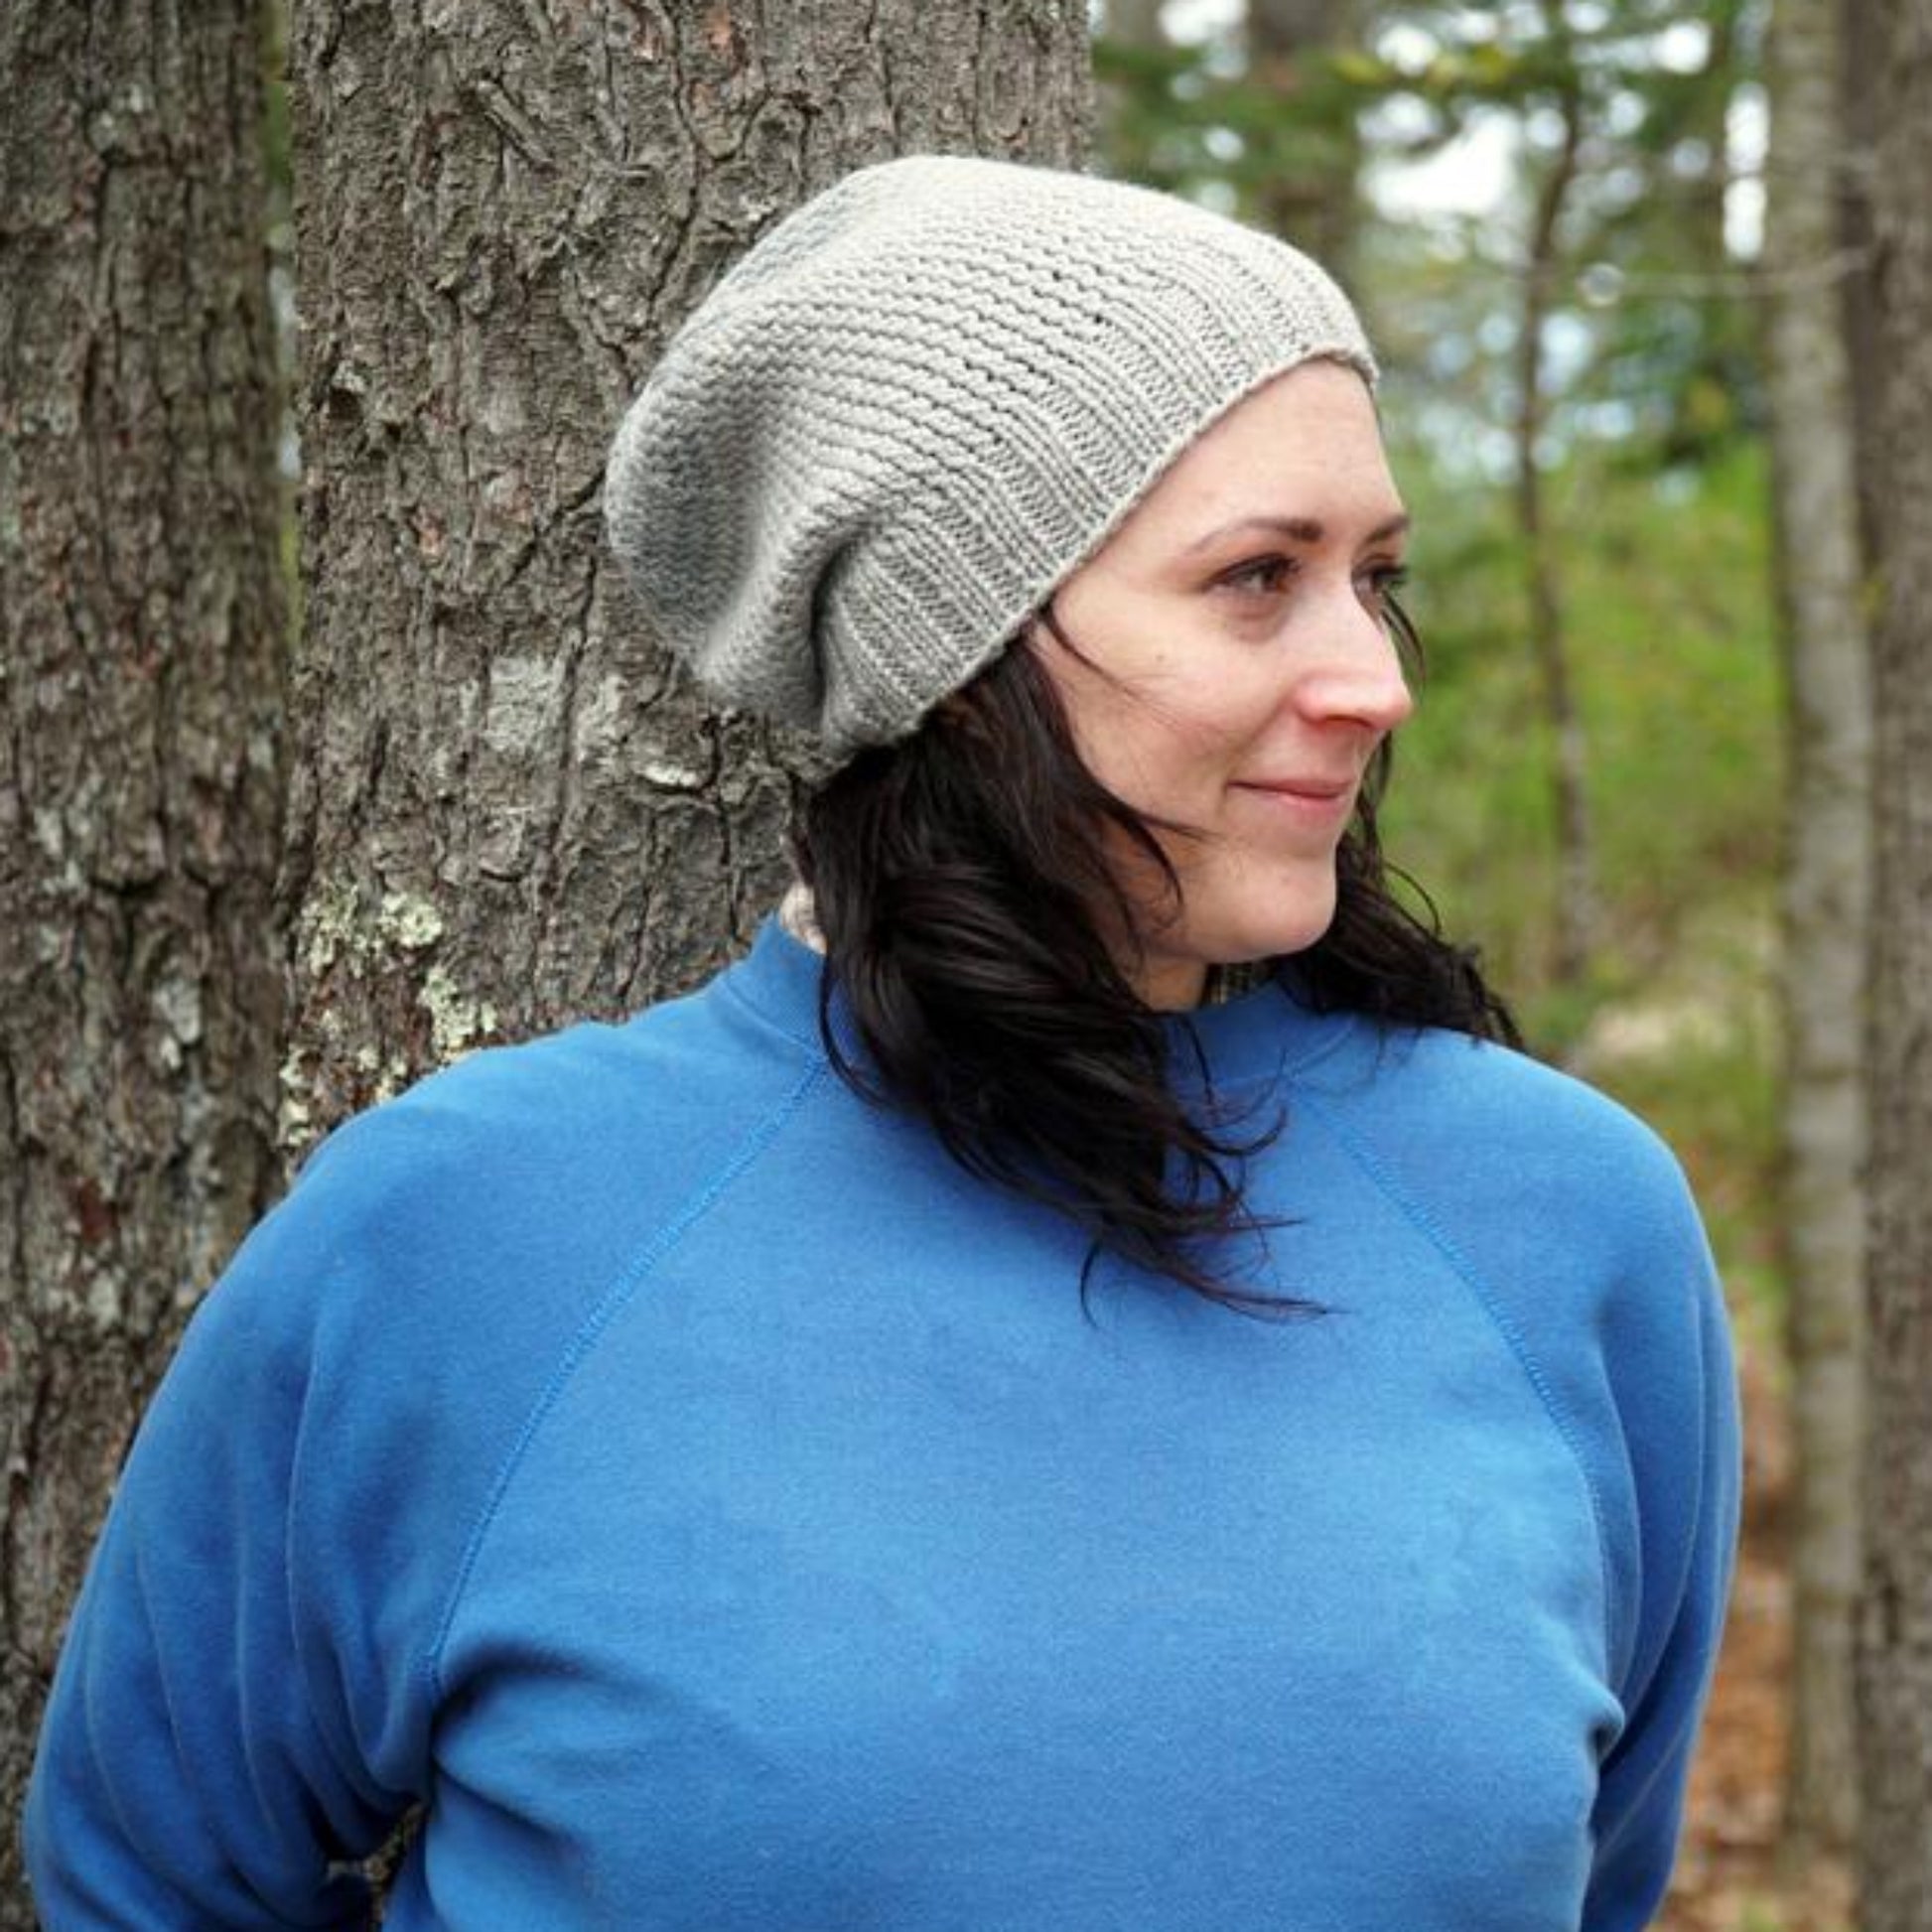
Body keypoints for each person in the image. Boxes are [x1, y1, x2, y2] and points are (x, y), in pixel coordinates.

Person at [25, 153, 1739, 1929]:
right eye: (1254, 578)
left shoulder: (1568, 1221)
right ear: (958, 649)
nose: (1371, 677)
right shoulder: (462, 1240)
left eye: (1371, 573)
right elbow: (150, 1882)